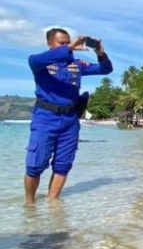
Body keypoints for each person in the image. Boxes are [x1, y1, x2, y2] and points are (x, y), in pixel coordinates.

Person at [24, 28, 113, 203]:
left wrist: (101, 53)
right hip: (45, 118)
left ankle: (53, 202)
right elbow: (45, 58)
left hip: (70, 121)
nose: (66, 45)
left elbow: (105, 69)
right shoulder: (38, 62)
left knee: (63, 165)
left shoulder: (77, 64)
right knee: (35, 165)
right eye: (62, 43)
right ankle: (29, 205)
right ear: (50, 43)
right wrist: (70, 48)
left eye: (68, 42)